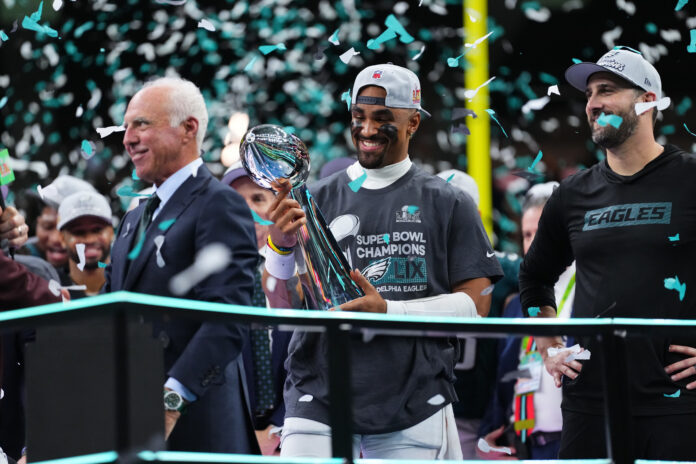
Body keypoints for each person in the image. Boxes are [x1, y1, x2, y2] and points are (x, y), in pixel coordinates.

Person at [267, 63, 503, 458]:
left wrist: (389, 309)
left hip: (411, 401)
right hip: (318, 393)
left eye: (382, 118)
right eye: (359, 116)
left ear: (413, 123)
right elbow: (282, 303)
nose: (368, 129)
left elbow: (478, 305)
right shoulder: (316, 196)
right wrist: (279, 248)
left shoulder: (447, 201)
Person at [519, 47, 696, 460]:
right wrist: (549, 345)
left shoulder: (690, 178)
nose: (593, 103)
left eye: (608, 90)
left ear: (648, 101)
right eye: (589, 94)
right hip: (589, 405)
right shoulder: (573, 193)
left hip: (678, 403)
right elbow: (533, 279)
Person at [105, 77, 260, 453]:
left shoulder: (219, 204)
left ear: (188, 128)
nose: (127, 139)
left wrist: (171, 400)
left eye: (141, 124)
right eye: (126, 127)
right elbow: (107, 314)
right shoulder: (132, 218)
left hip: (196, 428)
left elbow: (229, 314)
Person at [478, 182, 571, 460]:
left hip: (576, 441)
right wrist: (488, 436)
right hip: (524, 447)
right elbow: (504, 378)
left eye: (540, 233)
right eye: (527, 235)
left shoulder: (589, 291)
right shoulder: (515, 305)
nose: (533, 243)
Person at [222, 163, 299, 455]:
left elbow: (316, 351)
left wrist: (277, 427)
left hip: (292, 431)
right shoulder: (201, 275)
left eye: (257, 198)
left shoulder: (302, 269)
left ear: (277, 207)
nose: (246, 209)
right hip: (227, 430)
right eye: (233, 200)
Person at [20, 176, 97, 270]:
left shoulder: (110, 270)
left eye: (69, 230)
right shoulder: (17, 258)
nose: (55, 239)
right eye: (47, 226)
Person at [57, 191, 115, 298]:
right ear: (62, 238)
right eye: (78, 232)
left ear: (111, 232)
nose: (89, 240)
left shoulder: (128, 284)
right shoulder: (52, 290)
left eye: (97, 230)